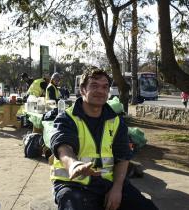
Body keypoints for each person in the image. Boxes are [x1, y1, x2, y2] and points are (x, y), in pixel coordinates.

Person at [50, 67, 158, 210]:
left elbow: (123, 157)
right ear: (82, 90)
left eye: (105, 87)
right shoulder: (67, 118)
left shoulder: (116, 121)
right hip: (73, 185)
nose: (100, 91)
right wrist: (73, 164)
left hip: (108, 183)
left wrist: (117, 188)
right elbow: (63, 146)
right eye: (94, 86)